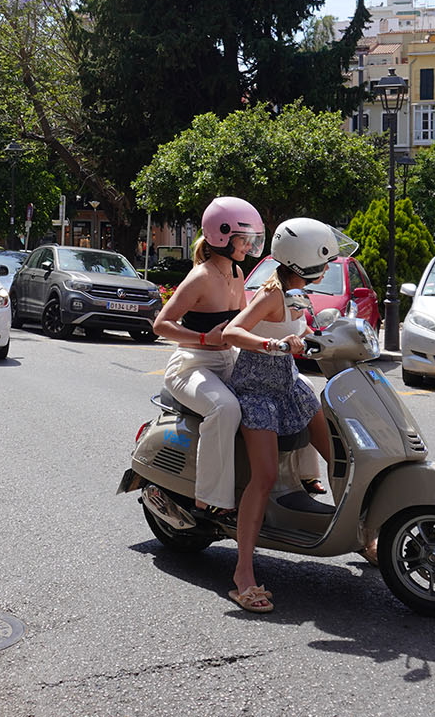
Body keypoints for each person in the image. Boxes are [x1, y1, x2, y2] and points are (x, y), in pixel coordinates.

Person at [220, 217, 346, 614]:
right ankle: (243, 575)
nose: (328, 268)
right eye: (324, 261)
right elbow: (232, 333)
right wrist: (273, 342)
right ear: (306, 260)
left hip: (288, 385)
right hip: (257, 390)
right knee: (265, 477)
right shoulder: (273, 294)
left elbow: (301, 334)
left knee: (339, 454)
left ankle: (364, 534)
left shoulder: (299, 292)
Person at [150, 196, 267, 520]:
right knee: (225, 408)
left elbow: (242, 320)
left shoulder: (237, 273)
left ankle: (293, 480)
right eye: (244, 239)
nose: (248, 245)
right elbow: (162, 324)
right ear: (223, 236)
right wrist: (204, 338)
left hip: (226, 361)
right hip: (191, 364)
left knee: (280, 391)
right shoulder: (201, 276)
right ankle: (209, 500)